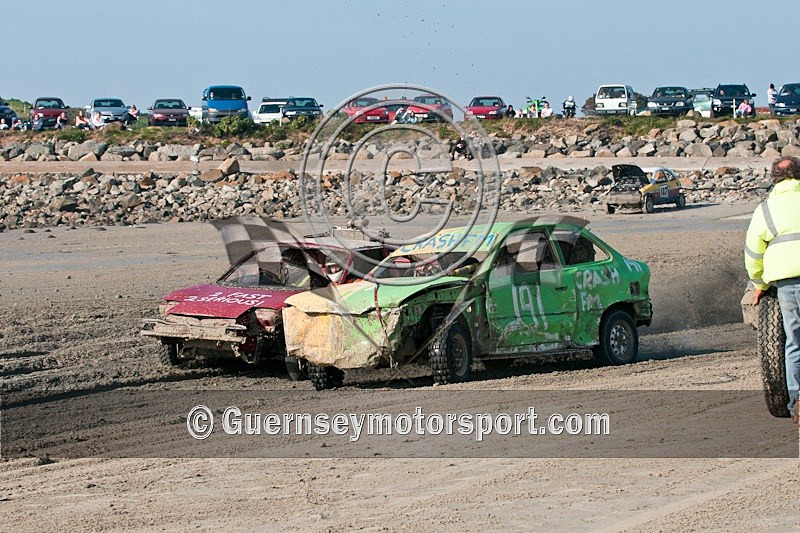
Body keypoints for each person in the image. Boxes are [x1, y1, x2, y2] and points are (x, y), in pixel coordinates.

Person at [745, 156, 800, 421]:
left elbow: (754, 252)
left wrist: (759, 283)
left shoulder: (766, 209)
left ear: (773, 179)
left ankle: (797, 401)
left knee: (794, 342)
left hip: (788, 283)